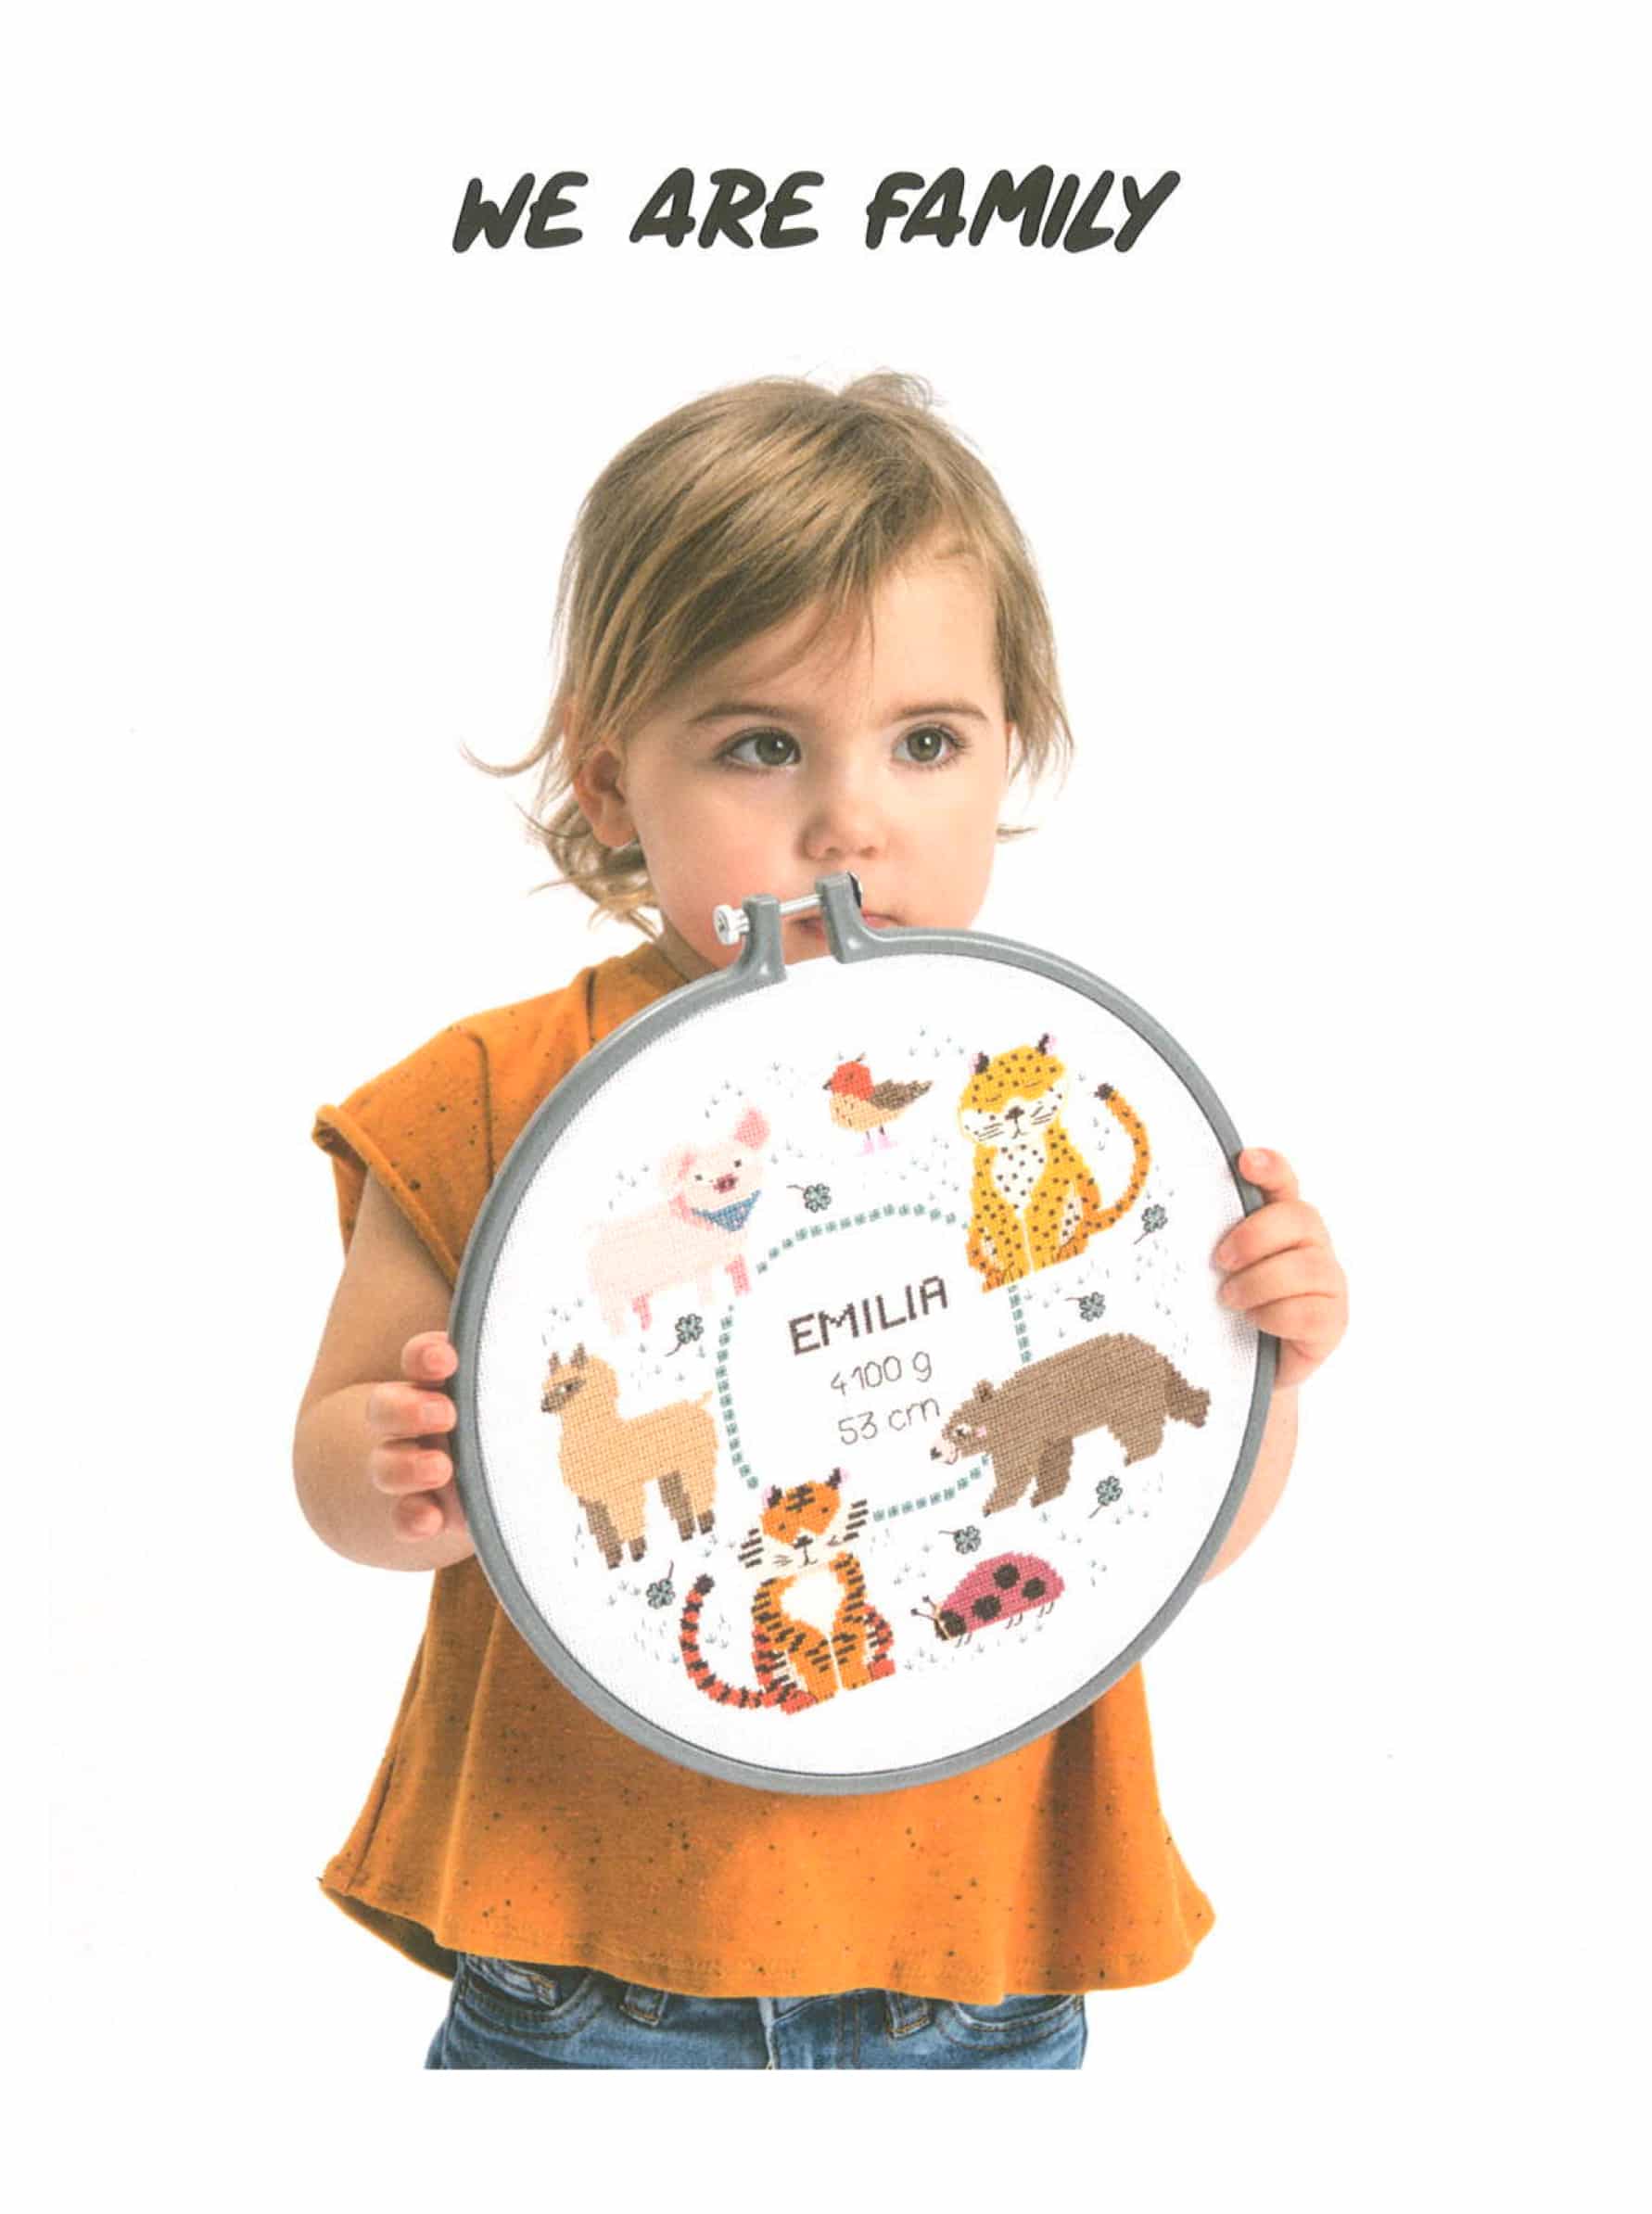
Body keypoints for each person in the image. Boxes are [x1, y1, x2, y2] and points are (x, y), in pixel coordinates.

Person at [293, 371, 1350, 2070]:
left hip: (977, 1967)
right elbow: (337, 1470)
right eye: (760, 746)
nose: (850, 819)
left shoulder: (1059, 1100)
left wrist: (1261, 1366)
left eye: (926, 742)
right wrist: (393, 1466)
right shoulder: (494, 1094)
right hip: (591, 1960)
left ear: (1006, 755)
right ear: (610, 781)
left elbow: (1175, 1531)